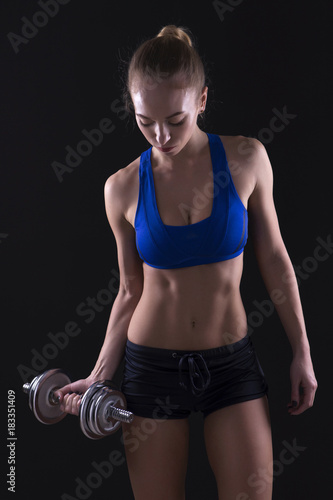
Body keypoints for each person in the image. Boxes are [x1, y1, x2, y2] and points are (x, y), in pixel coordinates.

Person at [56, 25, 318, 500]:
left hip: (231, 366)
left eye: (175, 120)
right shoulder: (122, 188)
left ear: (201, 100)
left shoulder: (246, 159)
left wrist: (301, 349)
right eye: (144, 121)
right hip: (151, 370)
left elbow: (276, 260)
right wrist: (98, 375)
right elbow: (130, 290)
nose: (161, 135)